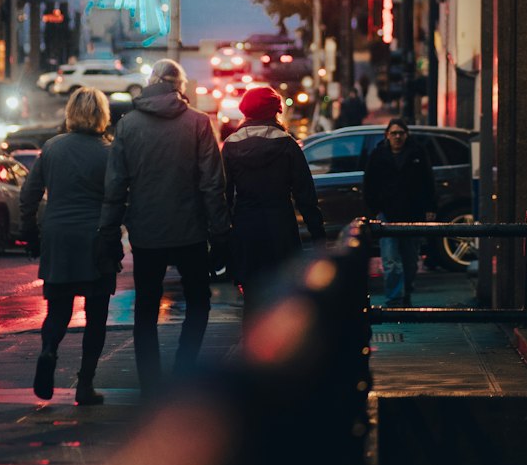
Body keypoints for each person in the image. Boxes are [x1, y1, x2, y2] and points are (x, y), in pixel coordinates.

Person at [97, 58, 228, 398]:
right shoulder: (199, 123)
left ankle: (151, 383)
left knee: (146, 309)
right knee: (199, 302)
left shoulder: (128, 126)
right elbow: (213, 184)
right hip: (192, 232)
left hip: (146, 233)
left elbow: (115, 186)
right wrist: (221, 233)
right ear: (180, 87)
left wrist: (110, 232)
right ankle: (185, 369)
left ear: (152, 82)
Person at [20, 86, 116, 406]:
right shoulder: (108, 152)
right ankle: (85, 384)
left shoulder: (51, 148)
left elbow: (29, 195)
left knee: (57, 311)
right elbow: (118, 199)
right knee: (96, 316)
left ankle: (49, 350)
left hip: (58, 239)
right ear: (102, 115)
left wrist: (30, 233)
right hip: (96, 241)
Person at [221, 85, 325, 315]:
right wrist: (317, 233)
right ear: (275, 112)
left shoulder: (230, 145)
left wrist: (222, 237)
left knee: (252, 297)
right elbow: (305, 193)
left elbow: (223, 195)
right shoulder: (287, 144)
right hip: (281, 226)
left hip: (246, 228)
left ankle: (253, 342)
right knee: (284, 295)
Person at [363, 118, 436, 307]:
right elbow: (369, 184)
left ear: (406, 135)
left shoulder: (418, 153)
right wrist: (376, 209)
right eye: (393, 133)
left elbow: (428, 181)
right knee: (390, 260)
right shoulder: (379, 155)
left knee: (410, 259)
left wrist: (429, 208)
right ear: (387, 135)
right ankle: (394, 299)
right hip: (387, 213)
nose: (397, 137)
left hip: (413, 213)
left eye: (401, 133)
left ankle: (407, 290)